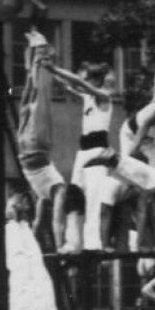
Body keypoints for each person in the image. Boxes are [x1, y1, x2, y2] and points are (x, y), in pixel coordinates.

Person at [51, 61, 118, 251]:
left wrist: (54, 68)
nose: (83, 82)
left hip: (98, 151)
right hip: (83, 152)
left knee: (94, 197)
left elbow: (77, 82)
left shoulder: (104, 97)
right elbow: (67, 85)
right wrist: (47, 69)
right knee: (74, 194)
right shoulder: (87, 98)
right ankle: (73, 242)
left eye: (87, 79)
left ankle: (94, 243)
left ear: (95, 81)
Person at [13, 30, 70, 253]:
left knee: (39, 94)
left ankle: (41, 54)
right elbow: (37, 222)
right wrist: (33, 245)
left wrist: (60, 245)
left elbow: (57, 219)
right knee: (28, 100)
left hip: (36, 147)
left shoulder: (58, 188)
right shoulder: (42, 195)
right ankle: (36, 54)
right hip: (24, 149)